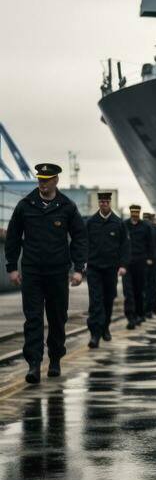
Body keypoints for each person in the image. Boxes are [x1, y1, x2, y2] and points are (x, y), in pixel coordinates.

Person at [4, 163, 87, 384]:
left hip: (58, 272)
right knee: (33, 318)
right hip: (32, 271)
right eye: (39, 179)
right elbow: (13, 237)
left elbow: (79, 237)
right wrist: (12, 267)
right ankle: (33, 364)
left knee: (57, 317)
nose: (42, 183)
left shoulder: (66, 207)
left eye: (46, 179)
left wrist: (79, 269)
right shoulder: (25, 206)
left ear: (56, 181)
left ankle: (55, 359)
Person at [85, 192, 131, 348]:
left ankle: (105, 327)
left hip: (111, 269)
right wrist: (82, 262)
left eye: (106, 201)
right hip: (94, 268)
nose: (104, 204)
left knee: (108, 300)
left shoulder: (118, 223)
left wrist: (123, 265)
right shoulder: (91, 222)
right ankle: (95, 334)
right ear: (99, 203)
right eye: (101, 202)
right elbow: (83, 243)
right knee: (95, 301)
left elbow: (125, 246)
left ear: (110, 203)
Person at [123, 205, 154, 329]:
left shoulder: (145, 227)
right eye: (133, 213)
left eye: (137, 213)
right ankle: (131, 316)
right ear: (130, 213)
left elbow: (150, 244)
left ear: (139, 213)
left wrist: (150, 258)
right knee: (128, 291)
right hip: (127, 263)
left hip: (141, 262)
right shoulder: (124, 225)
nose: (135, 215)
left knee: (139, 290)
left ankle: (140, 313)